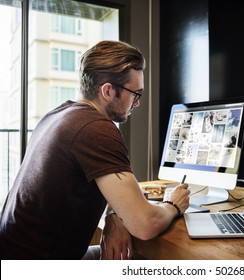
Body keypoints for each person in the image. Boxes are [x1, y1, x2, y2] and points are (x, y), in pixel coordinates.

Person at [0, 40, 190, 260]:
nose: (137, 103)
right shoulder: (96, 128)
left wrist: (114, 214)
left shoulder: (60, 114)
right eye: (135, 94)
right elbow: (144, 224)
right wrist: (173, 204)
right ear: (108, 90)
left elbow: (107, 188)